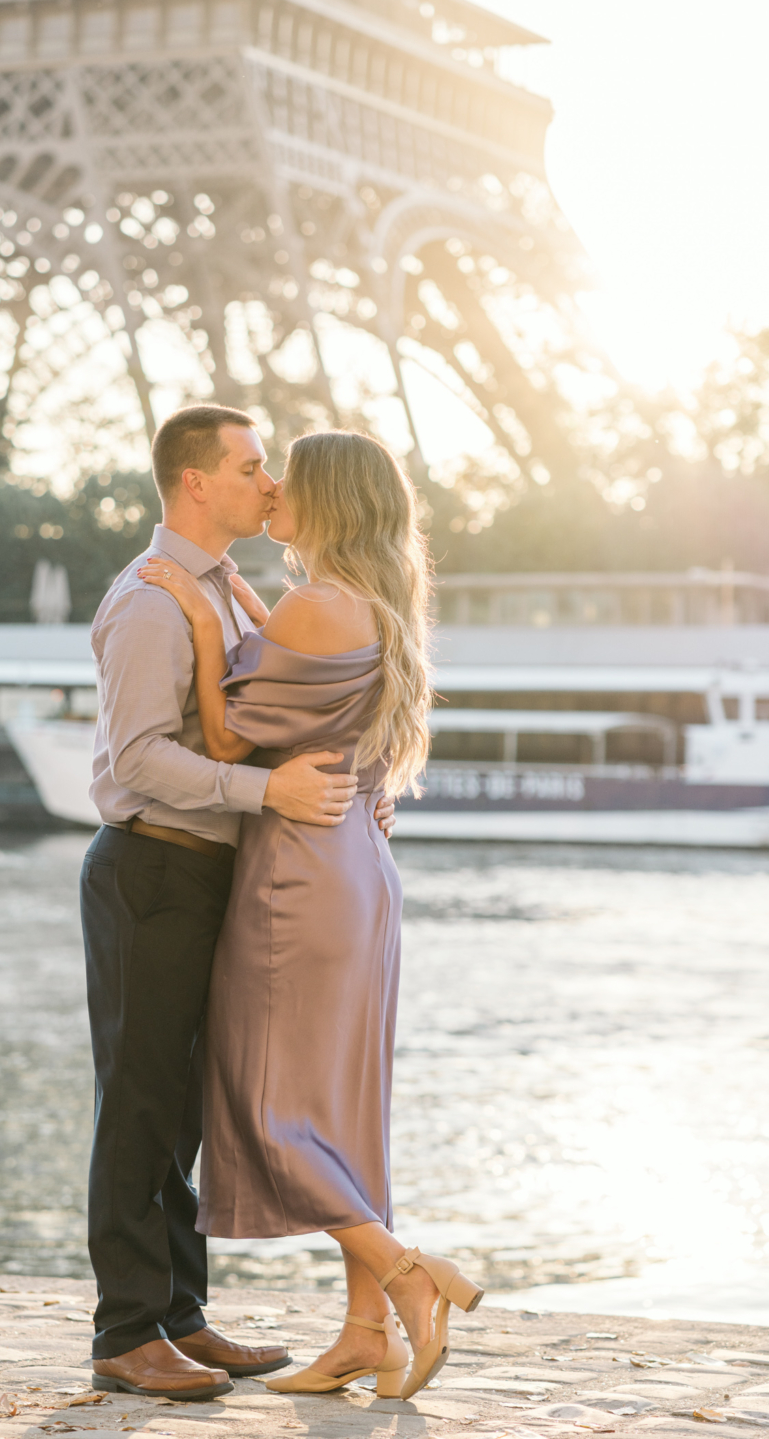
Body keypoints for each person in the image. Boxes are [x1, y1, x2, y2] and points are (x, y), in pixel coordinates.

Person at [138, 429, 484, 1403]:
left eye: (290, 474)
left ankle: (411, 1275)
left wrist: (203, 627)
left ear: (327, 501)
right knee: (341, 1108)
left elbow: (225, 732)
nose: (274, 486)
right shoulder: (367, 604)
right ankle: (363, 1332)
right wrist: (245, 608)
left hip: (296, 874)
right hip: (360, 871)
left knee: (264, 1101)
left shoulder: (314, 604)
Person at [81, 405, 399, 1403]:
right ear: (195, 482)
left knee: (184, 1107)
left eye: (274, 469)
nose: (270, 483)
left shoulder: (228, 592)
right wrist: (270, 792)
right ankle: (127, 1330)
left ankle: (180, 1316)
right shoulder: (150, 601)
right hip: (155, 865)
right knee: (138, 1102)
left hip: (217, 873)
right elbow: (139, 760)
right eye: (253, 466)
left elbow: (285, 699)